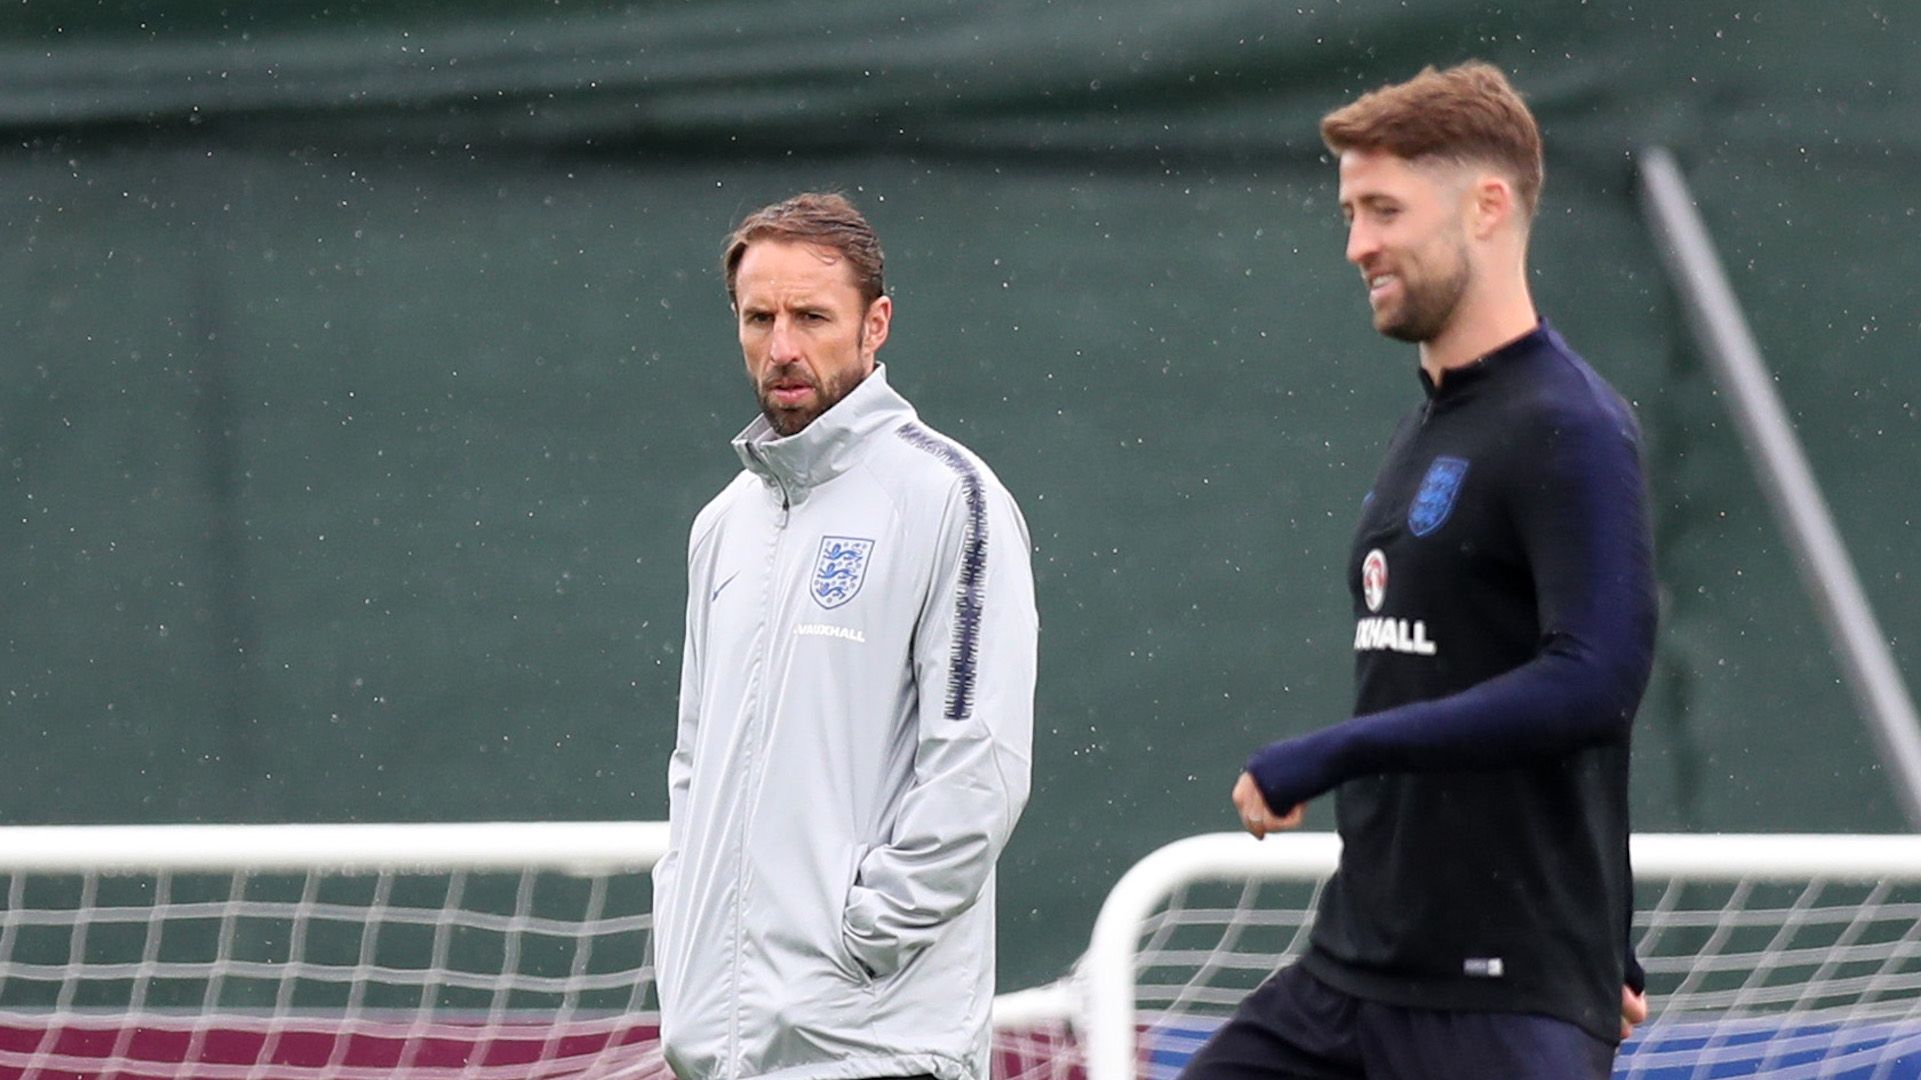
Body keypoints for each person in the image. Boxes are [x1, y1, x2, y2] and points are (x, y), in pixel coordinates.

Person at [1184, 62, 1659, 1080]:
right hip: (1353, 975)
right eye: (1350, 212)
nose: (1356, 244)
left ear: (1486, 207)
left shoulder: (1569, 427)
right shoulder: (1433, 421)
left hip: (1502, 999)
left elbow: (1591, 684)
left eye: (1382, 210)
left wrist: (1332, 752)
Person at [652, 192, 1037, 1080]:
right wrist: (688, 936)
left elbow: (977, 769)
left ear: (876, 326)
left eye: (812, 316)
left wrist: (856, 946)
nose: (781, 347)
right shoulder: (723, 524)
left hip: (872, 1049)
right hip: (717, 1050)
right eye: (759, 318)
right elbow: (693, 763)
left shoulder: (950, 498)